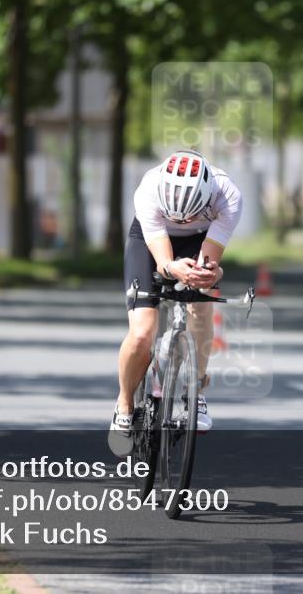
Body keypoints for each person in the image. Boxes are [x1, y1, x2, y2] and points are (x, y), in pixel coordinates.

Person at [109, 149, 242, 457]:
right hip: (150, 241)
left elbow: (209, 261)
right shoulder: (148, 190)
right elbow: (163, 261)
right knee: (143, 332)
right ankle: (125, 404)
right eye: (178, 215)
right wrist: (170, 268)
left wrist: (210, 272)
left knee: (201, 303)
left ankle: (196, 390)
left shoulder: (229, 196)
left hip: (200, 240)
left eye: (193, 213)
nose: (185, 219)